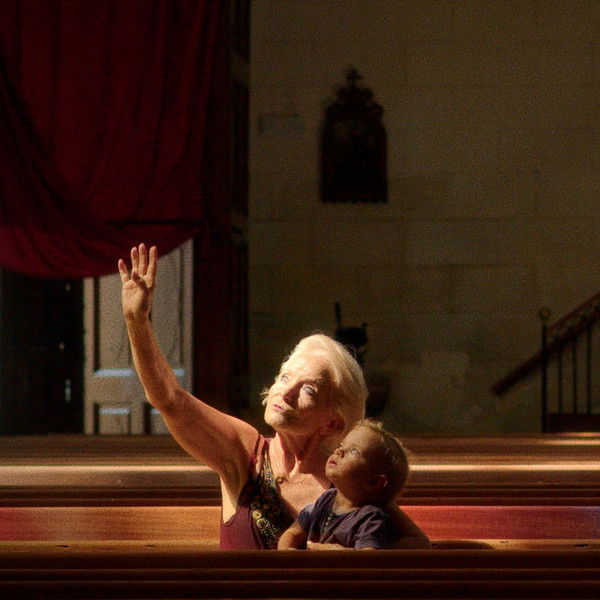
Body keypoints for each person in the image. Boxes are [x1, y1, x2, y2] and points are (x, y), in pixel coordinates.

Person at [118, 243, 430, 549]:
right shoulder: (246, 452)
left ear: (332, 421)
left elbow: (417, 547)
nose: (286, 392)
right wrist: (137, 321)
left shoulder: (350, 480)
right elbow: (169, 399)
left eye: (308, 389)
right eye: (285, 377)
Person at [277, 419, 416, 550]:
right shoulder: (326, 499)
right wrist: (286, 553)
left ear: (373, 482)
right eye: (341, 445)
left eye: (354, 451)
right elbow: (293, 532)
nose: (339, 451)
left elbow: (370, 558)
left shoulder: (370, 518)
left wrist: (340, 554)